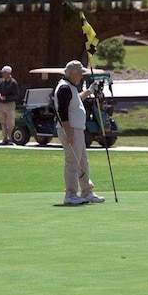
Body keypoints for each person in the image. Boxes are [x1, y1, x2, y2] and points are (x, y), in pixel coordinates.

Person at [54, 60, 104, 205]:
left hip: (78, 130)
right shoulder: (64, 88)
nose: (81, 76)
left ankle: (87, 192)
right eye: (80, 74)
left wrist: (90, 91)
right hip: (70, 130)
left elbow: (77, 102)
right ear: (71, 73)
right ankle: (70, 195)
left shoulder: (71, 87)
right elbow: (62, 112)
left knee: (83, 162)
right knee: (72, 163)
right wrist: (68, 133)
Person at [0, 65, 20, 145]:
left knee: (10, 122)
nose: (2, 74)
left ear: (8, 73)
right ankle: (4, 138)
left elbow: (16, 95)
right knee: (3, 122)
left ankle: (11, 139)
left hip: (10, 105)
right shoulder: (0, 81)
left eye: (4, 72)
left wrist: (6, 98)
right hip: (1, 104)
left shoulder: (13, 82)